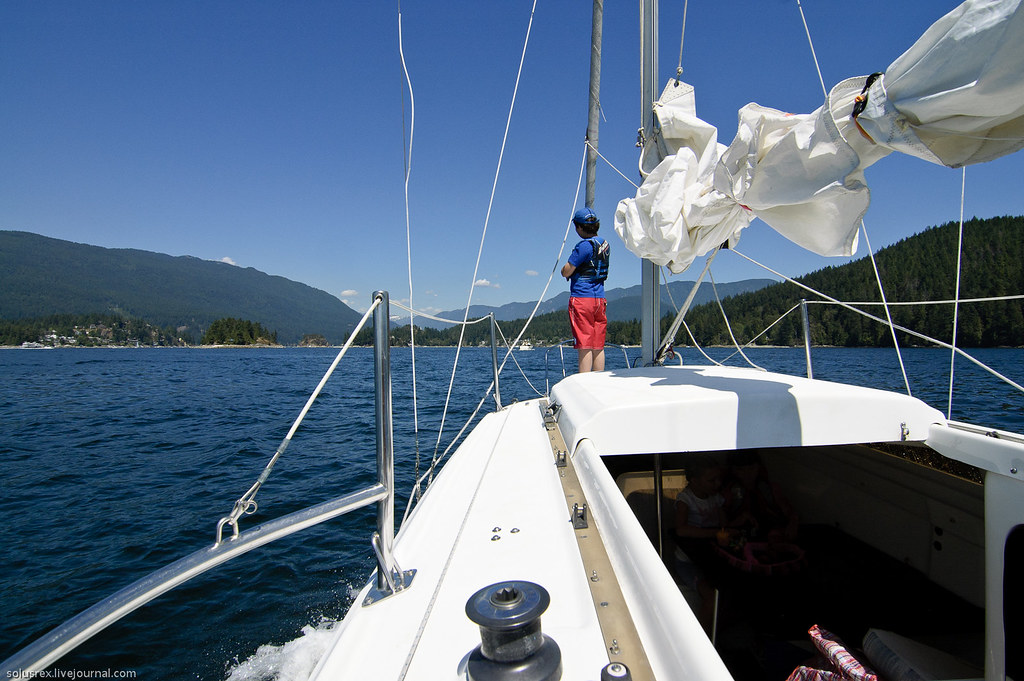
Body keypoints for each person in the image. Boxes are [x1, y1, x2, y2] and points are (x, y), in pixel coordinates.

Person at [674, 454, 737, 632]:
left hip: (711, 557)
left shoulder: (715, 497)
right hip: (688, 562)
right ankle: (704, 636)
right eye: (712, 480)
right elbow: (681, 529)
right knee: (710, 596)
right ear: (695, 481)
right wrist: (714, 533)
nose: (717, 484)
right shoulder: (685, 499)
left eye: (719, 479)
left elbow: (723, 524)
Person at [560, 206, 610, 372]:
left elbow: (567, 271)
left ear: (580, 227)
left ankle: (584, 382)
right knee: (598, 346)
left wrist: (564, 271)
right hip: (599, 300)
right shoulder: (605, 245)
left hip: (582, 300)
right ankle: (599, 380)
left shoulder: (584, 246)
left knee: (584, 344)